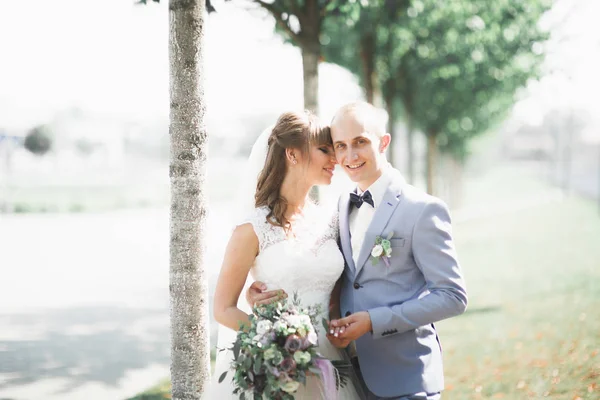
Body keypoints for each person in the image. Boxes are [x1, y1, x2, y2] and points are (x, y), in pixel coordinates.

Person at [250, 102, 468, 399]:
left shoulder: (423, 210)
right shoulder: (340, 208)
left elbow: (452, 297)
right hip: (346, 377)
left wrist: (373, 321)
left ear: (384, 142)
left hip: (405, 378)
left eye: (360, 142)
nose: (349, 156)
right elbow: (331, 274)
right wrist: (261, 290)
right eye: (340, 146)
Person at [205, 111, 362, 399]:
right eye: (324, 150)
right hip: (282, 367)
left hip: (333, 362)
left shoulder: (332, 221)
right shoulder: (251, 229)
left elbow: (341, 293)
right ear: (293, 154)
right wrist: (276, 340)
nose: (335, 159)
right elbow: (223, 309)